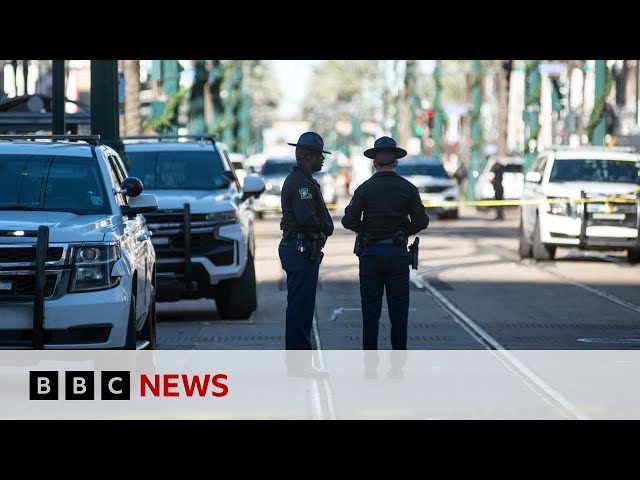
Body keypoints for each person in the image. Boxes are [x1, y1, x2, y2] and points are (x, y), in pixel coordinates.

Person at [342, 136, 429, 350]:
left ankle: (370, 365)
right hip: (398, 255)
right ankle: (398, 365)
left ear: (374, 163)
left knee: (370, 312)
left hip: (370, 255)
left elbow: (348, 220)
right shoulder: (408, 189)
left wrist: (366, 230)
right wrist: (402, 232)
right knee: (399, 312)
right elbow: (421, 221)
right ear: (396, 162)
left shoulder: (364, 189)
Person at [279, 132, 334, 350]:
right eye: (320, 155)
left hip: (301, 249)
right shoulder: (301, 184)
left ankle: (298, 360)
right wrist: (325, 227)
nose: (323, 160)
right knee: (300, 308)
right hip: (300, 249)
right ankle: (299, 362)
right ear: (309, 157)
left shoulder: (303, 180)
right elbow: (306, 218)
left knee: (300, 307)